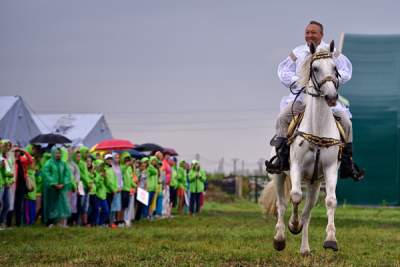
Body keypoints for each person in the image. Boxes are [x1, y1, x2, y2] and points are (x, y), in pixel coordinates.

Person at [265, 20, 364, 181]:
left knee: (346, 122)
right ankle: (282, 159)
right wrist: (299, 80)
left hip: (327, 100)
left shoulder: (332, 52)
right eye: (307, 32)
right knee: (282, 118)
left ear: (321, 34)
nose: (309, 35)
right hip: (302, 99)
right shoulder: (298, 52)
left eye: (313, 32)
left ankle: (347, 163)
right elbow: (283, 70)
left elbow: (346, 69)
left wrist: (330, 82)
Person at [42, 146, 72, 227]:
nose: (58, 155)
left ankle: (59, 222)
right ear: (53, 153)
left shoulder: (63, 163)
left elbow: (67, 174)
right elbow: (46, 174)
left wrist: (63, 183)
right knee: (51, 204)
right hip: (51, 189)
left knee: (61, 205)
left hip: (61, 188)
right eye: (56, 153)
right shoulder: (48, 163)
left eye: (59, 153)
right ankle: (49, 222)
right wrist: (54, 183)